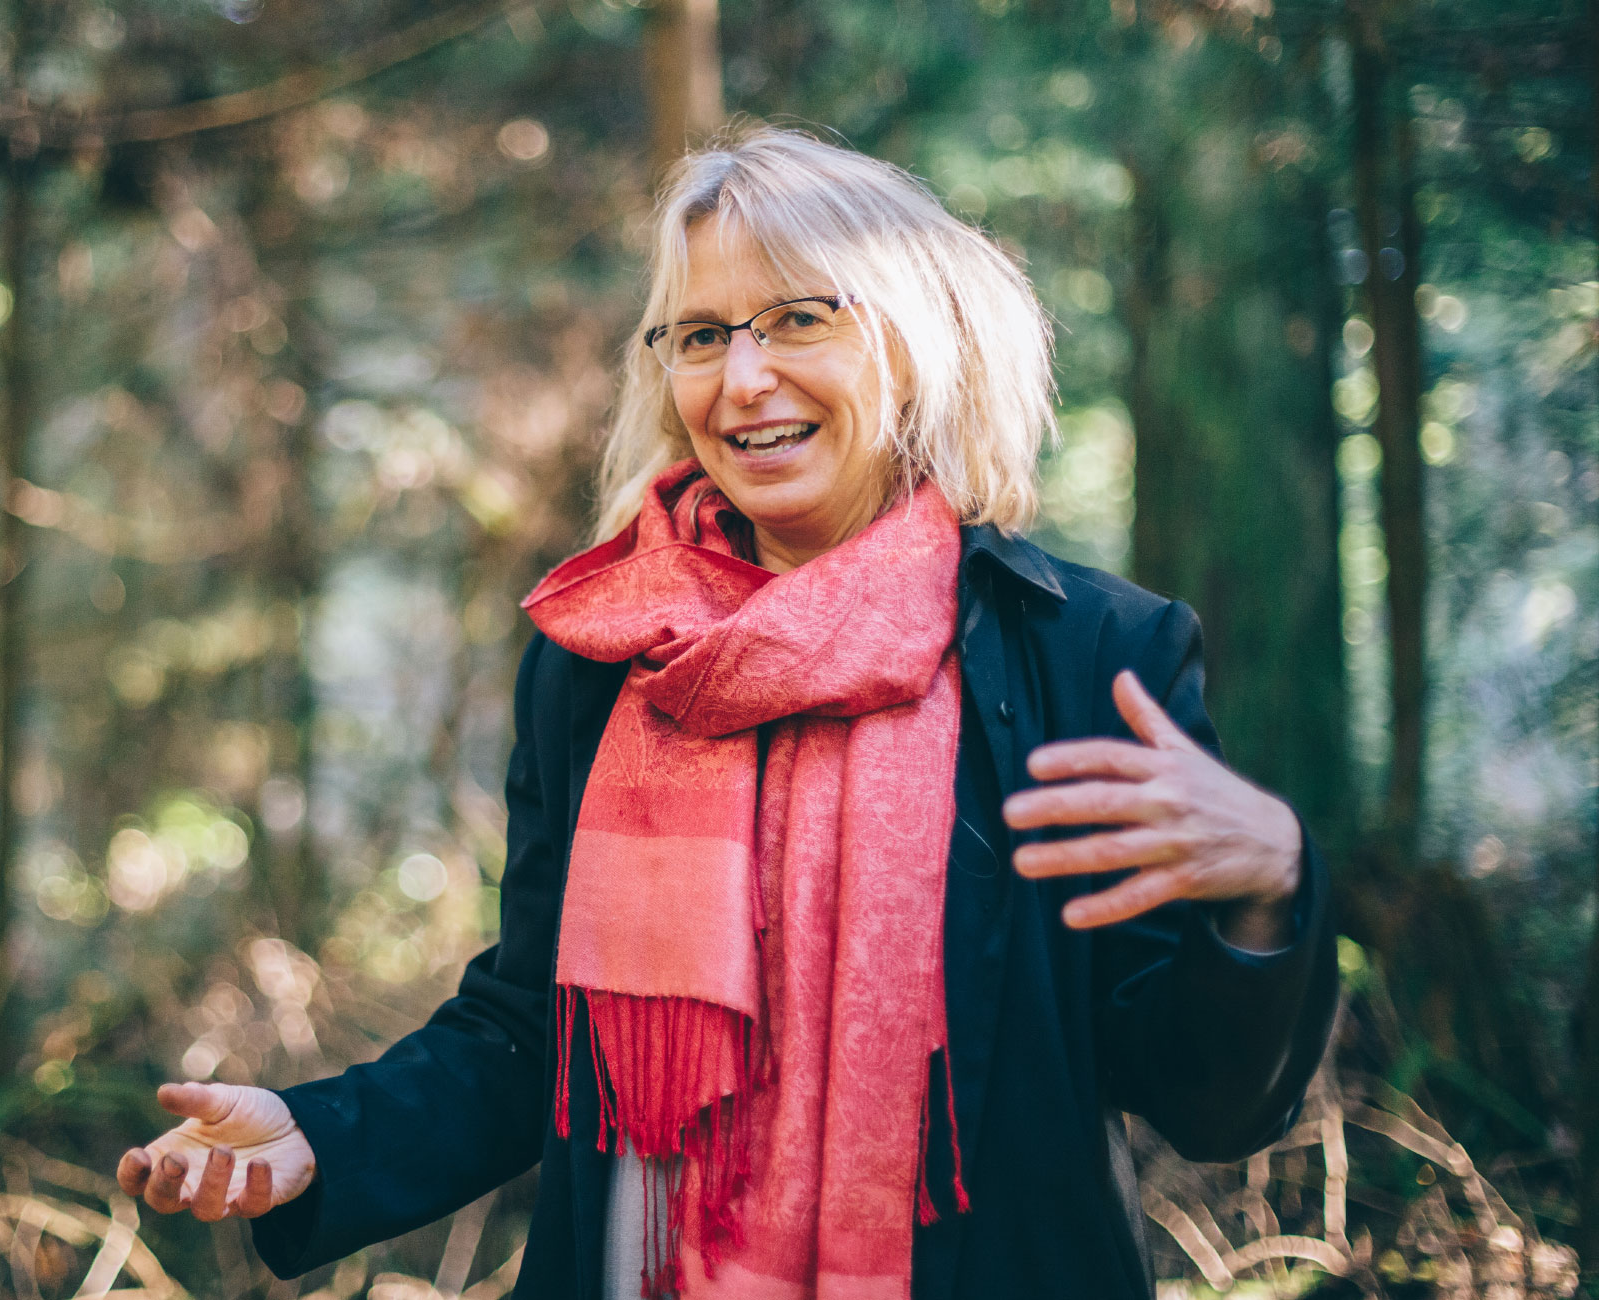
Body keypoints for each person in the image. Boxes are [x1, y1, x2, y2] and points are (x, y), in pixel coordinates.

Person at [116, 124, 1338, 1300]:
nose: (743, 378)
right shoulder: (603, 658)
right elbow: (535, 1031)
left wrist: (1265, 891)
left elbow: (1201, 1098)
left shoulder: (1082, 655)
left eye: (798, 318)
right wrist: (318, 1135)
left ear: (911, 341)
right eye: (698, 335)